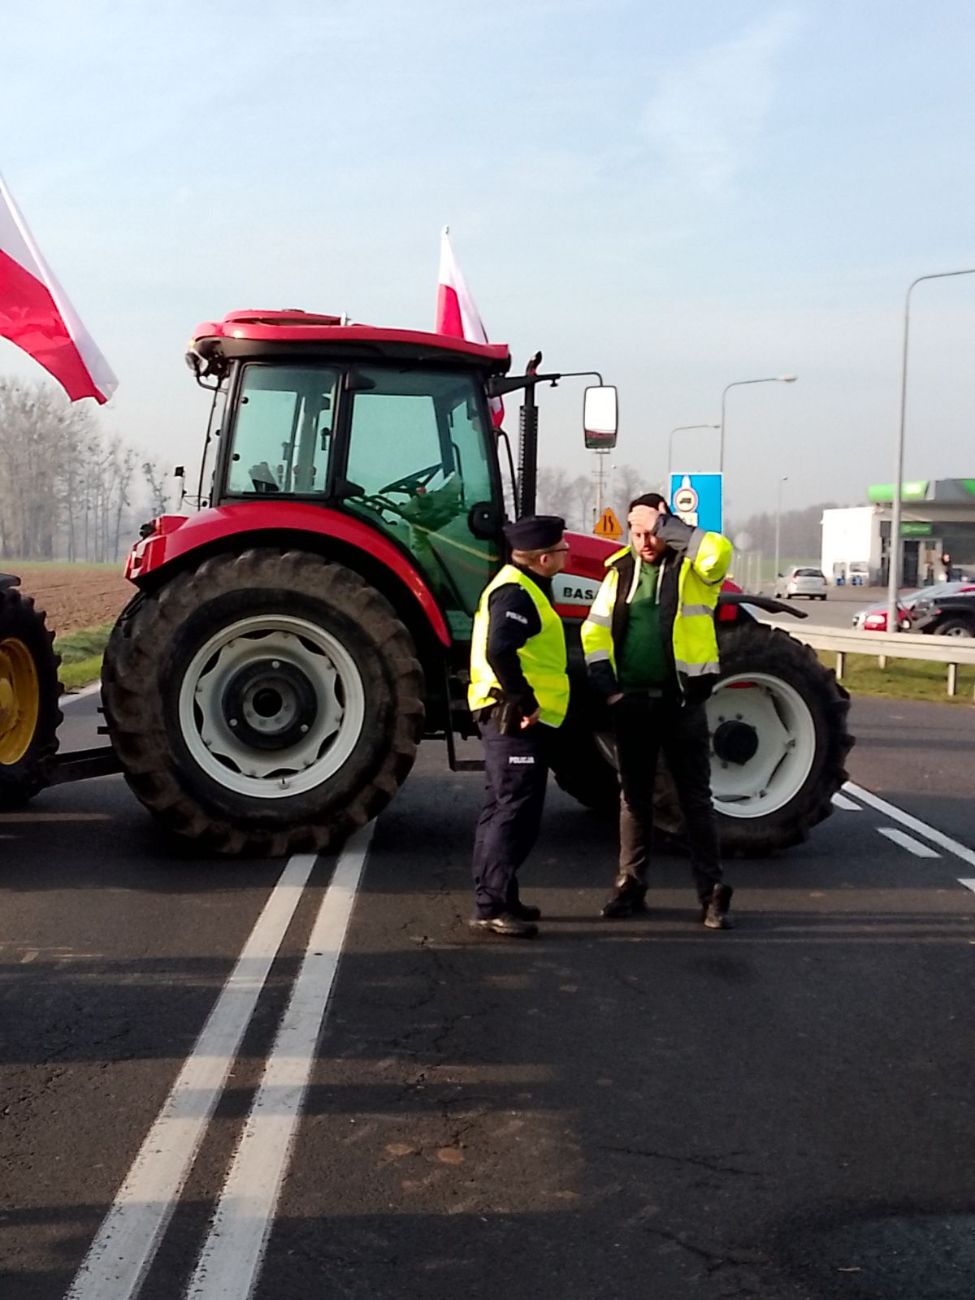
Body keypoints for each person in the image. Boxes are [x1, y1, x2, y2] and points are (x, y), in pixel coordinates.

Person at [581, 493, 735, 929]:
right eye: (637, 533)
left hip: (681, 702)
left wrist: (668, 525)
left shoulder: (694, 569)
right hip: (632, 703)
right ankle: (630, 885)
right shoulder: (620, 571)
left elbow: (718, 552)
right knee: (634, 799)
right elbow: (595, 631)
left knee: (695, 801)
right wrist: (609, 689)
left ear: (667, 528)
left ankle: (711, 893)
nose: (645, 542)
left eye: (652, 532)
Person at [467, 516, 571, 938]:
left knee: (502, 807)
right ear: (544, 559)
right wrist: (524, 698)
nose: (568, 553)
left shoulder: (521, 585)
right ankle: (491, 905)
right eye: (562, 549)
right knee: (514, 812)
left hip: (508, 715)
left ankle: (500, 894)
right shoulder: (517, 592)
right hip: (513, 717)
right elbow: (499, 649)